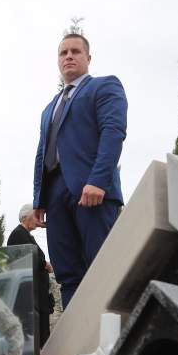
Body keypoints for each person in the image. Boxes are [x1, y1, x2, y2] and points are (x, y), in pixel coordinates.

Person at [31, 34, 126, 308]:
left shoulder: (104, 87)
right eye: (63, 53)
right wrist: (39, 199)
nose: (68, 56)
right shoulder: (49, 107)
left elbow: (113, 133)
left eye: (75, 51)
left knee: (100, 268)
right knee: (67, 274)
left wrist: (98, 180)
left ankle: (109, 342)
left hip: (91, 191)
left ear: (88, 58)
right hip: (56, 195)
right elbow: (42, 152)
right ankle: (79, 341)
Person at [7, 203, 54, 346]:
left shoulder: (25, 234)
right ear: (27, 217)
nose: (38, 219)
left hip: (38, 295)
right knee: (39, 336)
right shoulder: (19, 234)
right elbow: (28, 258)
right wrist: (44, 264)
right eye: (35, 216)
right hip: (32, 296)